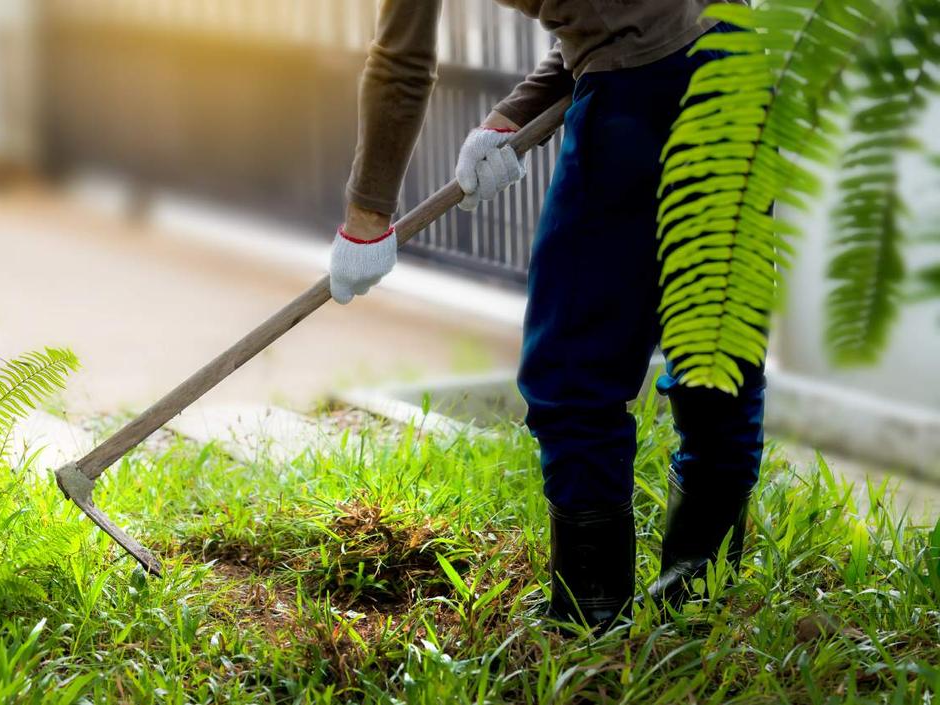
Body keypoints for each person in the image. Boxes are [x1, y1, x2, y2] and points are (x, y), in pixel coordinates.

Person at [328, 0, 766, 635]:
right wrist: (516, 113)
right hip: (737, 62)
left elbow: (401, 62)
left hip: (643, 90)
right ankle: (698, 604)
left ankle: (590, 626)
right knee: (714, 343)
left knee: (572, 373)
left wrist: (366, 217)